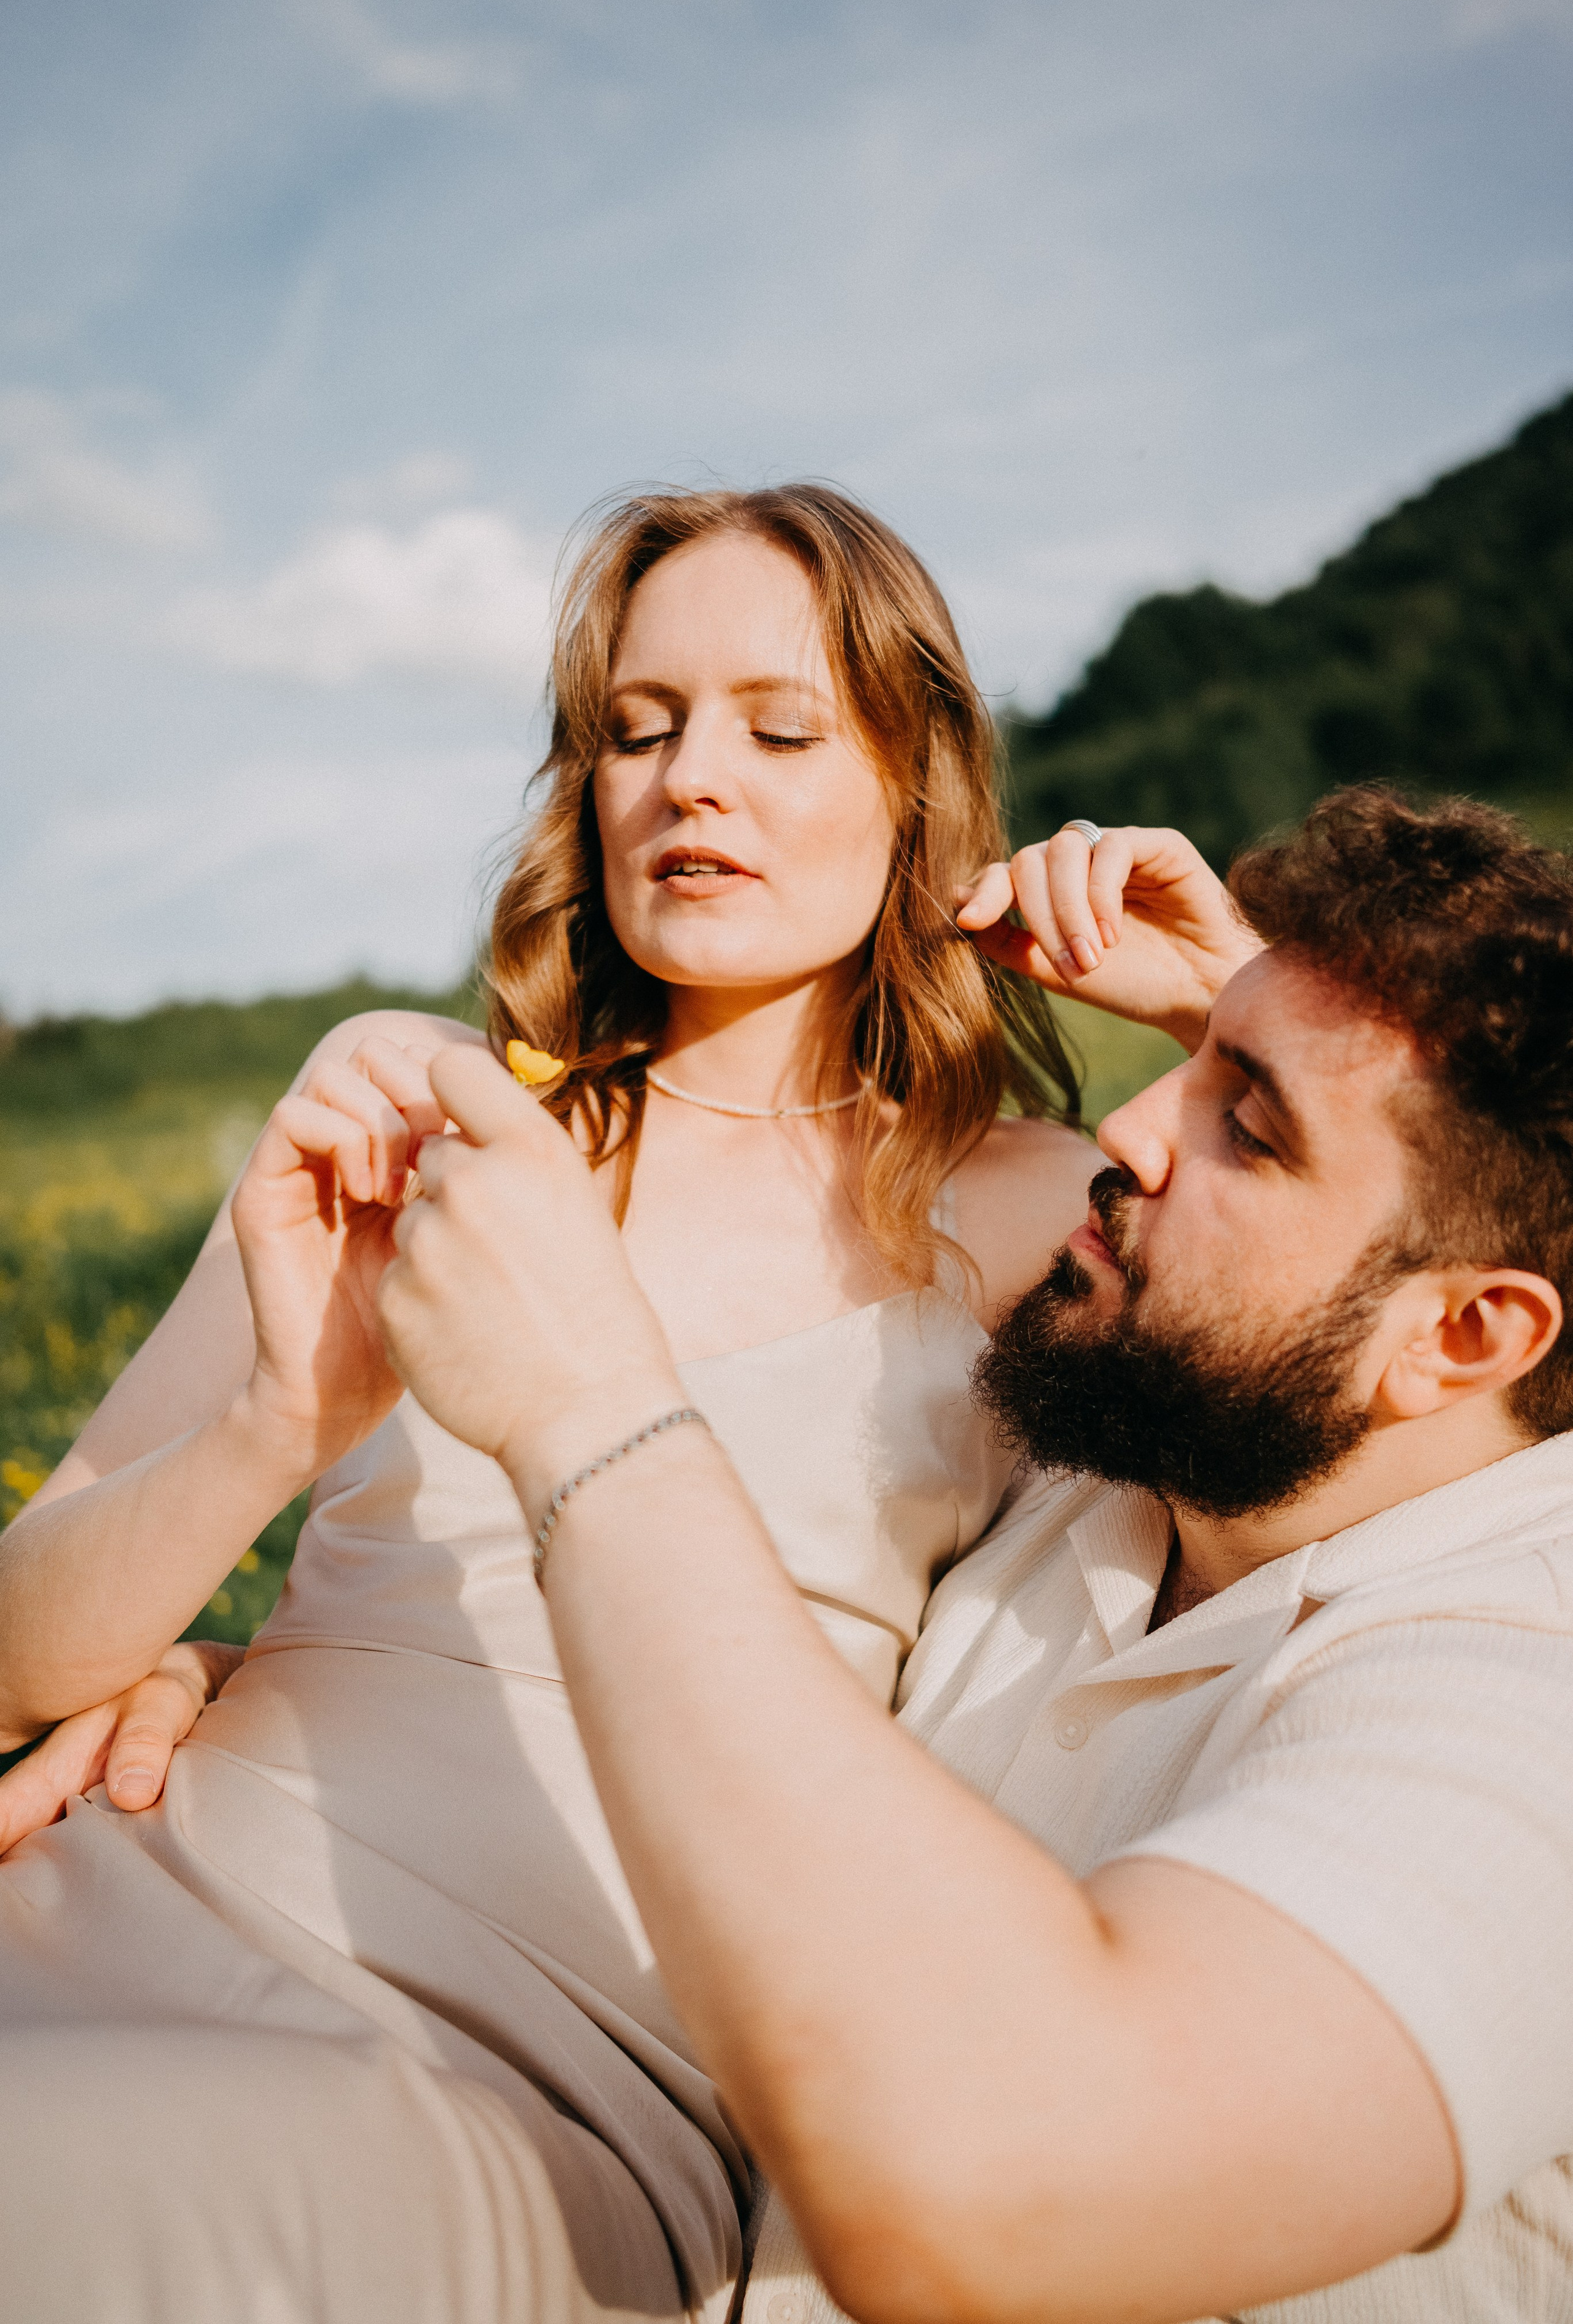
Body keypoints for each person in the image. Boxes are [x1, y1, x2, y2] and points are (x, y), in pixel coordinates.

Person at [0, 487, 1249, 2320]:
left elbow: (1441, 1373)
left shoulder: (1039, 1208)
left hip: (519, 2065)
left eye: (779, 725)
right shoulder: (408, 1100)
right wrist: (274, 1424)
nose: (688, 781)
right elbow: (25, 1647)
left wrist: (1229, 1010)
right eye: (638, 729)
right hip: (133, 1881)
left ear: (915, 779)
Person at [343, 783, 1571, 2323]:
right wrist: (280, 1677)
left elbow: (993, 2181)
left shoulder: (1526, 1692)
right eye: (1186, 1068)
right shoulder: (1128, 1448)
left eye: (1241, 1126)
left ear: (1463, 1329)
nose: (1124, 1129)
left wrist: (586, 1415)